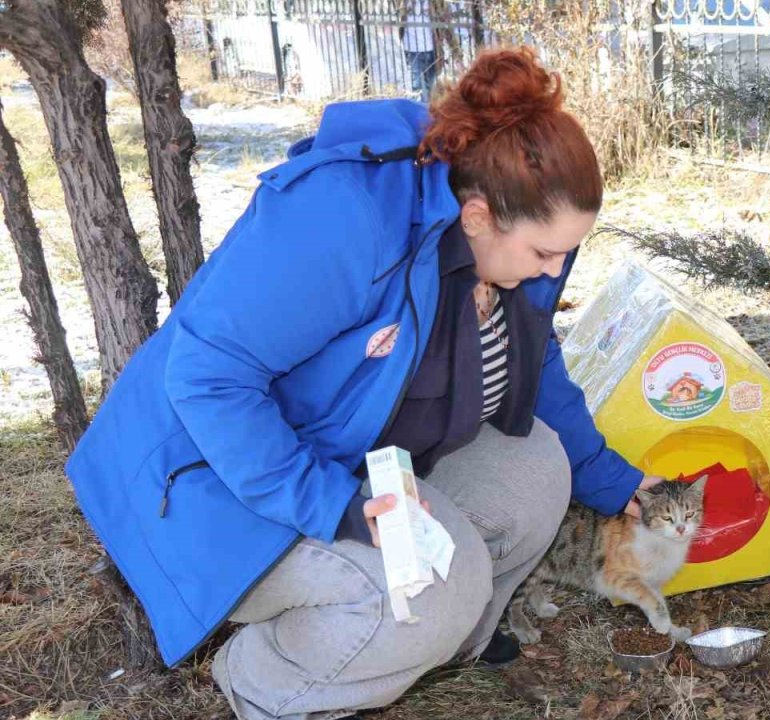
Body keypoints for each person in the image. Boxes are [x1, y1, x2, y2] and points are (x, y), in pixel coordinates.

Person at [65, 47, 663, 720]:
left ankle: (419, 642)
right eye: (543, 254)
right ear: (475, 218)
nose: (555, 273)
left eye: (565, 252)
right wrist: (335, 506)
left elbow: (535, 359)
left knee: (537, 469)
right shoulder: (345, 219)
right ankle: (264, 680)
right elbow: (207, 381)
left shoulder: (510, 236)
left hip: (347, 456)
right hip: (211, 485)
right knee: (443, 585)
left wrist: (613, 481)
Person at [399, 0, 437, 102]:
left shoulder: (437, 3)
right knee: (417, 88)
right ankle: (420, 114)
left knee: (431, 88)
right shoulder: (404, 2)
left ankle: (429, 112)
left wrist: (457, 55)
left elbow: (446, 26)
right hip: (412, 50)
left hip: (432, 49)